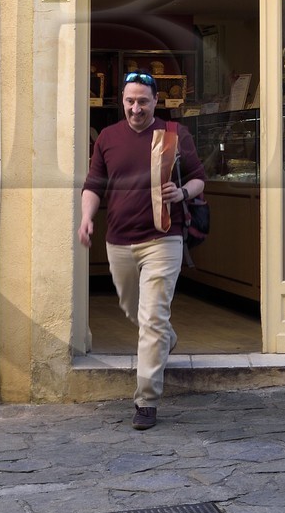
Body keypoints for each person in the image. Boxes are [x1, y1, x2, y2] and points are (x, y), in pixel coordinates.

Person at [79, 70, 206, 430]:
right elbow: (93, 184)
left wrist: (182, 193)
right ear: (123, 102)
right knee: (137, 312)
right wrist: (86, 218)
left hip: (163, 237)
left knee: (151, 318)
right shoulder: (107, 137)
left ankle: (146, 401)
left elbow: (199, 177)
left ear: (155, 102)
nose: (136, 108)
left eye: (143, 102)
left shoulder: (173, 134)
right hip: (118, 239)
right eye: (130, 102)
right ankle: (167, 337)